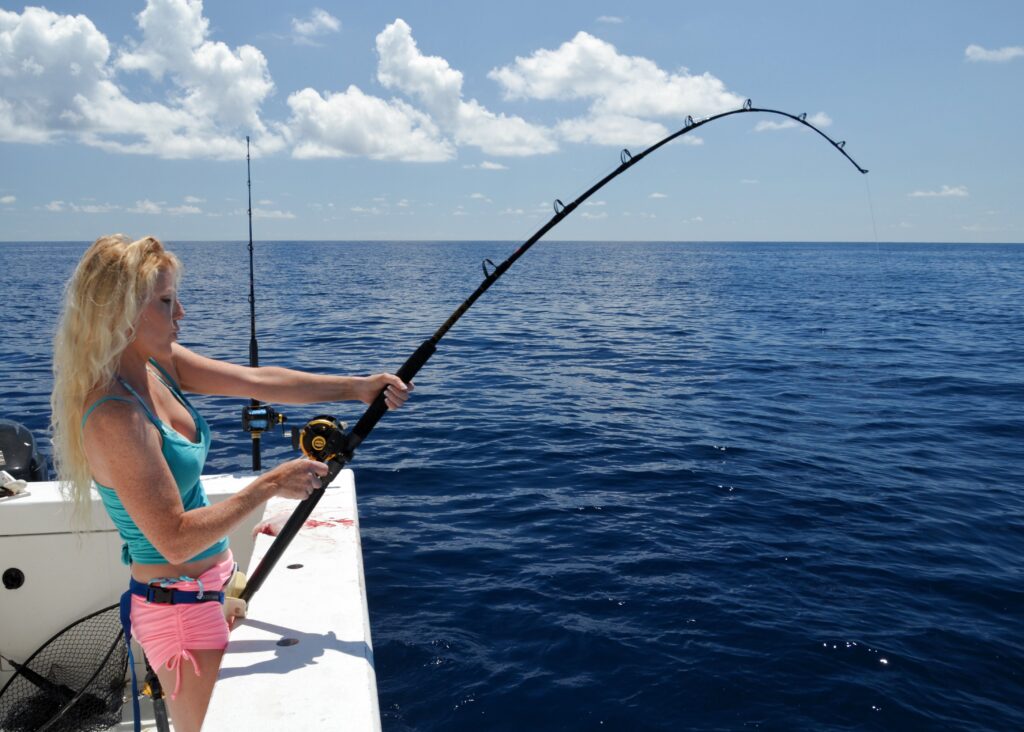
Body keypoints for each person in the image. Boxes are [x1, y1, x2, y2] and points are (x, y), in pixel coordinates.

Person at [50, 234, 412, 732]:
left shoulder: (158, 367)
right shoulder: (114, 414)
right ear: (119, 313)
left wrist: (354, 387)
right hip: (178, 613)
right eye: (165, 301)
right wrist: (267, 486)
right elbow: (172, 538)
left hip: (212, 593)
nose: (182, 313)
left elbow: (257, 381)